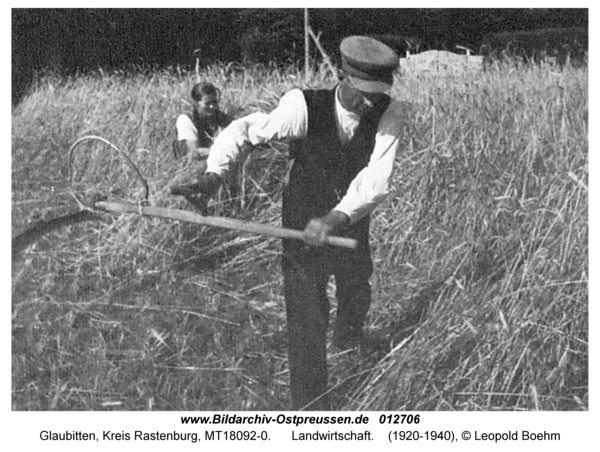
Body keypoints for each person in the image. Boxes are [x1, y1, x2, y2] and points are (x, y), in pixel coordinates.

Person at [170, 36, 406, 410]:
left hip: (351, 217)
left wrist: (336, 218)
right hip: (301, 216)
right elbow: (245, 131)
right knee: (307, 313)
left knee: (356, 285)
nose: (369, 102)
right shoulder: (303, 106)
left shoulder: (391, 112)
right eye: (362, 93)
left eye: (377, 94)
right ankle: (310, 409)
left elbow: (378, 178)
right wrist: (215, 175)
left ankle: (347, 339)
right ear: (342, 75)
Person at [173, 82, 232, 166]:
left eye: (214, 102)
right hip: (194, 170)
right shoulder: (186, 120)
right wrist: (224, 150)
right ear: (196, 103)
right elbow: (193, 154)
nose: (212, 106)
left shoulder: (222, 118)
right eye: (207, 103)